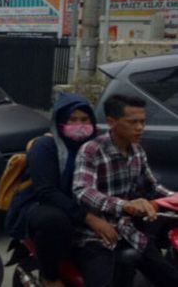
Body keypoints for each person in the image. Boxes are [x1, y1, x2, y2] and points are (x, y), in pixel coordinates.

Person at [5, 93, 113, 287]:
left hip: (84, 205)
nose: (79, 124)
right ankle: (50, 277)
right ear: (60, 122)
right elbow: (46, 191)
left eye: (84, 119)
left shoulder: (98, 147)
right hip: (43, 206)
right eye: (72, 119)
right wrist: (88, 217)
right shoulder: (46, 147)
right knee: (54, 220)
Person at [73, 94, 178, 287]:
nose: (140, 127)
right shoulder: (92, 150)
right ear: (112, 122)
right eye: (133, 122)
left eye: (142, 122)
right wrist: (125, 205)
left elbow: (153, 187)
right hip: (94, 236)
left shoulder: (137, 151)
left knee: (169, 277)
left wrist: (174, 199)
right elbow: (82, 190)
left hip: (127, 230)